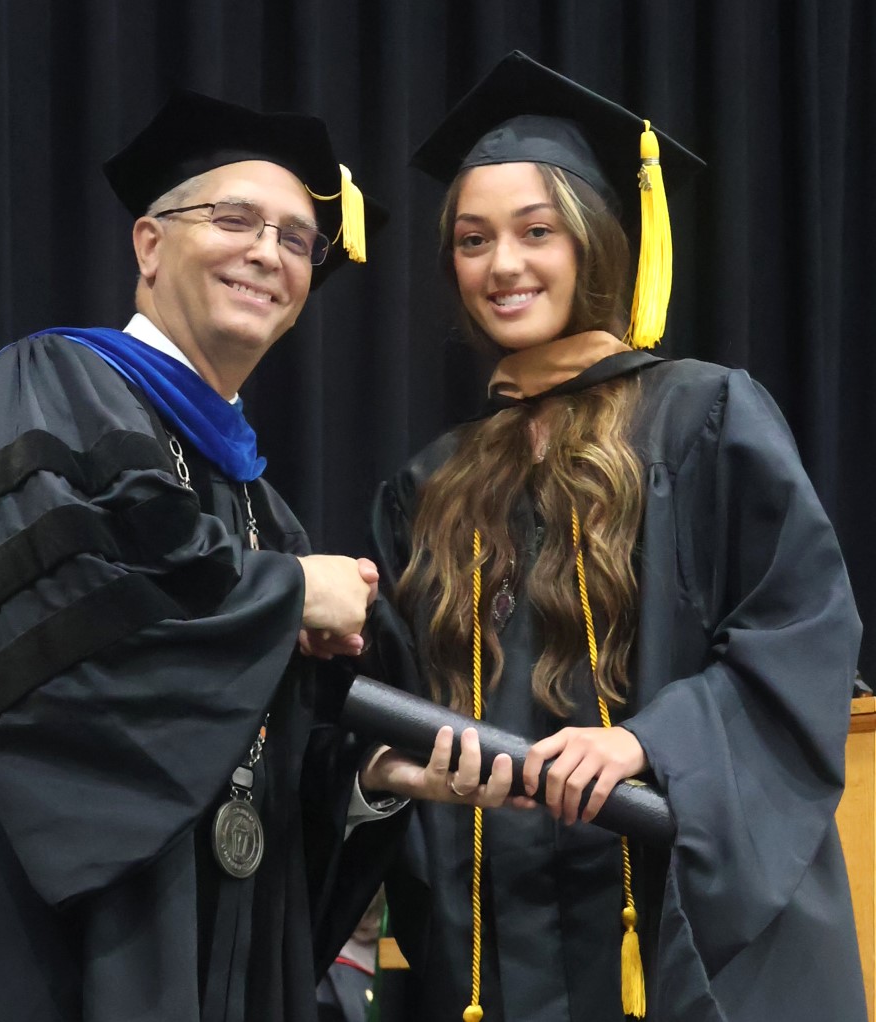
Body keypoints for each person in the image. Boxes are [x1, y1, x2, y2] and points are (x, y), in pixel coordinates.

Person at [0, 89, 405, 1022]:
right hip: (42, 953)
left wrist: (367, 780)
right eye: (234, 219)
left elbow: (256, 764)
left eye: (298, 239)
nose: (267, 252)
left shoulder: (263, 507)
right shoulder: (52, 387)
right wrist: (287, 598)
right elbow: (70, 638)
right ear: (149, 245)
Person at [358, 51, 867, 1021]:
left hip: (679, 924)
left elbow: (801, 632)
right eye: (473, 239)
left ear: (594, 237)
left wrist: (647, 741)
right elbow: (383, 702)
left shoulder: (704, 418)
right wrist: (390, 768)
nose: (503, 264)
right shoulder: (429, 483)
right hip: (492, 954)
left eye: (535, 230)